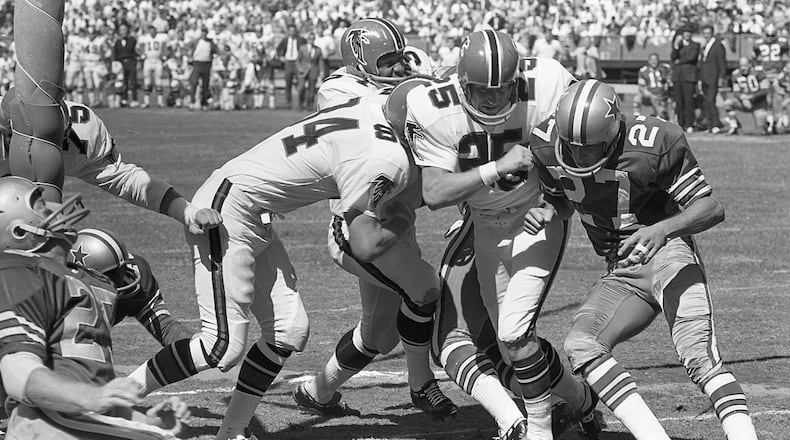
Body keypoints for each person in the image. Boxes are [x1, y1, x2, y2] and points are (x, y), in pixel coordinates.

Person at [124, 91, 419, 440]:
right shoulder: (380, 144)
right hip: (226, 211)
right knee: (219, 346)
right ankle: (115, 398)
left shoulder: (364, 106)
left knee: (287, 330)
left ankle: (232, 431)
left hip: (252, 212)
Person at [526, 79, 759, 440]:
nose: (577, 155)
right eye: (570, 146)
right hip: (621, 272)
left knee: (699, 357)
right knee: (581, 344)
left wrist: (662, 230)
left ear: (612, 133)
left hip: (669, 256)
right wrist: (547, 211)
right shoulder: (545, 145)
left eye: (588, 148)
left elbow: (711, 207)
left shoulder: (653, 143)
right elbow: (560, 197)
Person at [406, 30, 595, 440]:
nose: (492, 99)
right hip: (485, 227)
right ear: (461, 84)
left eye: (501, 89)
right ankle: (581, 400)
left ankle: (538, 429)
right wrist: (496, 167)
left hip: (535, 220)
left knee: (512, 333)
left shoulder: (549, 83)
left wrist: (558, 202)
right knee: (511, 343)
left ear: (516, 81)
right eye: (480, 90)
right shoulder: (434, 108)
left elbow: (589, 136)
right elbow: (434, 193)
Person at [295, 17, 456, 425]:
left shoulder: (401, 74)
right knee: (425, 288)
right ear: (360, 61)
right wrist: (424, 83)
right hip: (356, 224)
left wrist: (427, 81)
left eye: (399, 57)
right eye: (387, 60)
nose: (397, 65)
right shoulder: (335, 89)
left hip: (397, 220)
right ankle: (422, 384)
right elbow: (386, 111)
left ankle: (318, 390)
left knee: (378, 336)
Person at [0, 176, 192, 440]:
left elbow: (86, 375)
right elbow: (18, 371)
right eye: (43, 209)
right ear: (19, 232)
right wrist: (91, 397)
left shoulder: (77, 278)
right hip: (51, 424)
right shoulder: (18, 274)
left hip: (75, 420)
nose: (55, 211)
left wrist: (145, 418)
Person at [0, 95, 221, 233]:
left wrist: (187, 211)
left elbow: (127, 180)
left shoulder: (82, 137)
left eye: (49, 142)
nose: (36, 151)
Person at [68, 228, 194, 346]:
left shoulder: (134, 281)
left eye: (121, 269)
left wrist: (197, 349)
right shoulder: (56, 292)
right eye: (111, 274)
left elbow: (165, 328)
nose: (121, 279)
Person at [752, 23, 789, 133]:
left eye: (772, 36)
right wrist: (758, 68)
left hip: (777, 74)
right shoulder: (758, 43)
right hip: (764, 75)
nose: (770, 38)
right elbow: (753, 57)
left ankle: (780, 122)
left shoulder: (783, 42)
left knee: (779, 99)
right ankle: (768, 123)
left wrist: (785, 68)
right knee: (766, 100)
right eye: (768, 35)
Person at [722, 57, 771, 135]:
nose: (743, 68)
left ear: (750, 64)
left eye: (745, 65)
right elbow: (736, 91)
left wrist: (751, 98)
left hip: (758, 104)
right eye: (741, 65)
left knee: (760, 132)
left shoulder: (759, 72)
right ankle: (734, 126)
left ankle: (768, 124)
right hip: (744, 102)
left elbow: (765, 90)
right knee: (728, 103)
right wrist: (742, 98)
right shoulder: (736, 74)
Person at [697, 25, 727, 133]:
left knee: (711, 101)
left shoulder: (718, 46)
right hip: (705, 78)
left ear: (712, 33)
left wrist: (721, 77)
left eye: (708, 33)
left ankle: (715, 124)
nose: (706, 35)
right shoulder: (704, 46)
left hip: (713, 78)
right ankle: (709, 126)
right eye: (704, 33)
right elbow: (701, 64)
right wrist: (700, 79)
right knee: (706, 102)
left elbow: (722, 64)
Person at [671, 26, 700, 133]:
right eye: (685, 32)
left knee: (689, 101)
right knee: (679, 101)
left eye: (689, 32)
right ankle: (681, 123)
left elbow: (691, 58)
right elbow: (673, 57)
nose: (687, 34)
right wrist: (676, 46)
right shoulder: (679, 45)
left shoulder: (695, 45)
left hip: (689, 76)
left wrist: (679, 61)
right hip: (678, 76)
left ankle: (689, 124)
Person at [633, 53, 672, 120]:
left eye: (655, 59)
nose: (654, 61)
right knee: (637, 98)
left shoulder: (664, 68)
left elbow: (669, 82)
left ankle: (660, 115)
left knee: (663, 117)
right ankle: (637, 118)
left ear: (658, 60)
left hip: (662, 96)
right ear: (648, 61)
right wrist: (650, 95)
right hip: (649, 95)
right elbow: (641, 87)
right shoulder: (644, 71)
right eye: (652, 60)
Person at [138, 25, 168, 108]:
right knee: (147, 81)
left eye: (153, 30)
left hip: (157, 60)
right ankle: (146, 102)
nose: (152, 32)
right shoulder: (145, 38)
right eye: (150, 30)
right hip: (148, 60)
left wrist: (164, 55)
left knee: (158, 81)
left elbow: (165, 46)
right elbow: (139, 47)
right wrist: (142, 54)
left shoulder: (161, 38)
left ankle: (160, 102)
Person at [188, 27, 218, 111]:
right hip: (197, 63)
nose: (204, 34)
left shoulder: (210, 42)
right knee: (194, 82)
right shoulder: (196, 41)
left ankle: (204, 103)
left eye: (205, 32)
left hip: (206, 64)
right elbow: (188, 48)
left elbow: (215, 50)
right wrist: (190, 57)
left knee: (205, 85)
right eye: (202, 32)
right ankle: (192, 102)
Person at [276, 25, 306, 109]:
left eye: (293, 31)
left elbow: (306, 48)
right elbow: (278, 49)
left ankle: (301, 103)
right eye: (290, 31)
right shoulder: (285, 40)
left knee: (301, 83)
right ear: (288, 32)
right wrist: (280, 57)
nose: (292, 32)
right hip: (288, 62)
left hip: (297, 63)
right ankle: (288, 102)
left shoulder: (301, 40)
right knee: (288, 83)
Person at [112, 24, 139, 107]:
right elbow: (116, 54)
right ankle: (124, 99)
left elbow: (136, 51)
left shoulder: (132, 40)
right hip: (121, 63)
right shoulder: (117, 42)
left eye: (125, 29)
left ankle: (134, 99)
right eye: (121, 30)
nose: (123, 31)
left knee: (133, 81)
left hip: (131, 61)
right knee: (124, 81)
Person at [296, 32, 322, 111]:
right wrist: (299, 68)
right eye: (310, 38)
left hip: (313, 70)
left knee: (312, 89)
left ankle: (309, 105)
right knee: (302, 87)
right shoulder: (302, 48)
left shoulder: (318, 49)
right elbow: (298, 60)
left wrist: (321, 71)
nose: (311, 40)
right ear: (307, 39)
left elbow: (320, 61)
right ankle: (301, 104)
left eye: (313, 38)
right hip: (303, 70)